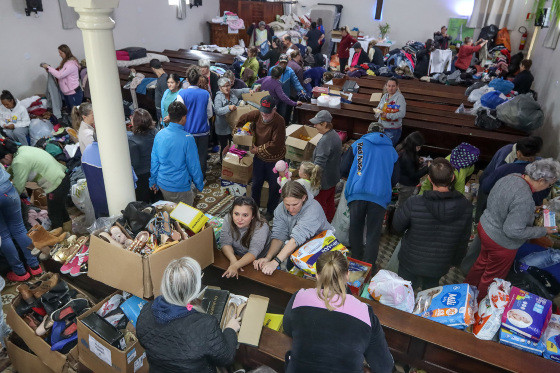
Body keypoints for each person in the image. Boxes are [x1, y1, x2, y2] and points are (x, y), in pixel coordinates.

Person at [283, 250, 394, 373]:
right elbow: (384, 366)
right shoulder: (365, 313)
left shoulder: (299, 297)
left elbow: (287, 328)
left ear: (317, 275)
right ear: (347, 275)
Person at [465, 159, 560, 301]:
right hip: (500, 242)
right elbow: (513, 231)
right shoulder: (525, 198)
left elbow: (504, 202)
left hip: (485, 227)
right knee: (491, 277)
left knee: (481, 263)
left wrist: (529, 211)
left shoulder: (512, 176)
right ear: (541, 180)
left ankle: (466, 291)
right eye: (549, 184)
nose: (548, 187)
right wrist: (543, 231)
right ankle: (478, 307)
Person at [137, 257, 240, 372]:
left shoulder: (146, 310)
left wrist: (190, 307)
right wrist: (230, 329)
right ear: (195, 286)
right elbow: (226, 358)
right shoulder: (207, 325)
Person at [393, 158, 473, 290]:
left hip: (411, 260)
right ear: (453, 178)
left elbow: (397, 227)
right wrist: (455, 261)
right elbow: (463, 240)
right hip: (440, 264)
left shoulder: (414, 202)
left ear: (429, 179)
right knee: (430, 292)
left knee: (404, 293)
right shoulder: (466, 207)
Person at [340, 124, 399, 265]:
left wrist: (356, 175)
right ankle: (368, 267)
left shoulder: (358, 145)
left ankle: (355, 260)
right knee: (373, 233)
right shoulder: (392, 152)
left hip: (357, 192)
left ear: (367, 132)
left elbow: (343, 168)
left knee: (355, 228)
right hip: (379, 196)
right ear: (384, 134)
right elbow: (395, 178)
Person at [255, 181, 332, 275]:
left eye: (295, 205)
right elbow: (279, 235)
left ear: (303, 198)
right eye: (287, 204)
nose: (291, 209)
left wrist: (275, 262)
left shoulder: (313, 210)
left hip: (322, 246)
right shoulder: (280, 209)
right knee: (291, 269)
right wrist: (268, 258)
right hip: (299, 247)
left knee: (316, 275)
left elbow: (296, 239)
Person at [0, 138, 70, 230]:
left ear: (7, 157)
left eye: (2, 162)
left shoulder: (19, 162)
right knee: (60, 209)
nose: (3, 164)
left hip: (56, 183)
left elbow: (18, 188)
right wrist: (4, 180)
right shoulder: (22, 149)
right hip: (62, 177)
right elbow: (11, 170)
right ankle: (69, 235)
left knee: (54, 215)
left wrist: (6, 198)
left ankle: (61, 240)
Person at [236, 96, 286, 220]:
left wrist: (257, 149)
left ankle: (271, 211)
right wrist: (238, 131)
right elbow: (243, 118)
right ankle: (254, 209)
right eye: (262, 111)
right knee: (256, 184)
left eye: (268, 112)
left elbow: (276, 144)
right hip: (259, 158)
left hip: (275, 159)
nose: (264, 114)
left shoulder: (279, 121)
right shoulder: (258, 114)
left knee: (275, 187)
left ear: (274, 109)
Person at [475, 136, 543, 222]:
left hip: (501, 191)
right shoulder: (506, 159)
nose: (530, 160)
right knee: (483, 214)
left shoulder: (531, 160)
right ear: (518, 153)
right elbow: (493, 183)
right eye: (529, 158)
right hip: (489, 184)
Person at [150, 101, 203, 206]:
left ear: (169, 115)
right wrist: (199, 184)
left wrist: (152, 180)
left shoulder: (159, 134)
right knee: (184, 217)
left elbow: (154, 161)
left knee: (168, 214)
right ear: (183, 118)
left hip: (163, 183)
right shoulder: (188, 138)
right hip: (180, 185)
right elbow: (194, 166)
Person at [0, 166, 42, 281]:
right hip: (7, 188)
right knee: (20, 230)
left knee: (3, 236)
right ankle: (35, 266)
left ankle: (20, 273)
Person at [221, 196, 271, 279]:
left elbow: (253, 252)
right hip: (237, 256)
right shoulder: (228, 218)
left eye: (245, 215)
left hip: (258, 260)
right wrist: (233, 260)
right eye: (236, 214)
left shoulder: (262, 227)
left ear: (253, 216)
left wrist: (235, 265)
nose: (239, 219)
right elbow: (225, 242)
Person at [176, 67, 213, 176]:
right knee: (202, 156)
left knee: (188, 156)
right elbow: (210, 113)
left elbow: (179, 114)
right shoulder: (205, 94)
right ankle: (201, 179)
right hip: (203, 131)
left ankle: (190, 178)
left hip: (187, 131)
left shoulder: (182, 94)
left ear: (187, 79)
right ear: (199, 79)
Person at [310, 110, 342, 222]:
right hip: (332, 178)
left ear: (324, 124)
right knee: (329, 204)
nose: (314, 126)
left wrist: (314, 182)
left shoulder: (326, 140)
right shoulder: (335, 135)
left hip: (324, 181)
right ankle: (330, 225)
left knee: (320, 206)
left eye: (317, 124)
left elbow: (319, 163)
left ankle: (322, 229)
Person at [213, 78, 250, 163]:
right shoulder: (218, 97)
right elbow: (217, 111)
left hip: (233, 125)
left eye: (228, 85)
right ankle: (224, 163)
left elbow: (243, 90)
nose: (226, 88)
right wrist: (228, 108)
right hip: (222, 126)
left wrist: (251, 90)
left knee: (234, 144)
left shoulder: (233, 92)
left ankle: (233, 162)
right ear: (220, 88)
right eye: (223, 86)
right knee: (224, 146)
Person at [128, 109, 157, 203]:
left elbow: (134, 164)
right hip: (156, 172)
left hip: (142, 177)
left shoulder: (132, 141)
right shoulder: (155, 132)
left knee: (144, 205)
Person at [41, 44, 82, 111]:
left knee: (76, 113)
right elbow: (60, 72)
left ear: (66, 52)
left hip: (73, 93)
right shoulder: (65, 62)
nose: (59, 55)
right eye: (59, 53)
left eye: (61, 53)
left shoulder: (71, 64)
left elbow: (60, 75)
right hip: (67, 93)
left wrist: (48, 67)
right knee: (70, 112)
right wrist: (50, 70)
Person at [269, 55, 306, 122]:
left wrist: (301, 90)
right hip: (274, 97)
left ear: (287, 63)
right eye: (281, 62)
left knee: (282, 115)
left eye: (285, 63)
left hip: (285, 97)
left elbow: (296, 82)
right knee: (272, 114)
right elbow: (268, 81)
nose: (283, 64)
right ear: (278, 62)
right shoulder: (272, 70)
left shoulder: (290, 71)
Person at [395, 131, 429, 206]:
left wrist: (417, 160)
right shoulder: (406, 157)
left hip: (403, 180)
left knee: (404, 202)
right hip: (406, 185)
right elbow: (414, 175)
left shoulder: (404, 148)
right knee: (402, 205)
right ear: (412, 145)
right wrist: (427, 168)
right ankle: (398, 216)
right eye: (418, 147)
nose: (419, 149)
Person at [375, 78, 406, 145]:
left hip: (392, 129)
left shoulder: (400, 97)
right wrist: (377, 111)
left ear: (397, 86)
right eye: (389, 86)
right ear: (386, 86)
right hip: (381, 126)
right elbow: (378, 107)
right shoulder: (385, 96)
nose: (390, 88)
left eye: (393, 86)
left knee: (387, 148)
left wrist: (387, 115)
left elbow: (402, 114)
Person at [150, 59, 168, 124]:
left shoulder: (163, 80)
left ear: (153, 69)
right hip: (160, 108)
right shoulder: (162, 78)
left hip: (161, 110)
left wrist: (162, 115)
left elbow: (165, 97)